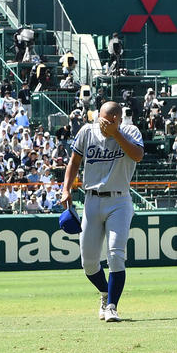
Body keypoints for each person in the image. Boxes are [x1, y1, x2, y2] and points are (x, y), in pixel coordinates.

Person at [60, 100, 144, 322]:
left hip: (119, 200)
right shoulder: (87, 132)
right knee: (88, 263)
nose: (101, 124)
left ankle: (112, 307)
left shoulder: (129, 131)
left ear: (116, 120)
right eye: (100, 119)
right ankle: (106, 293)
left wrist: (116, 134)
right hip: (91, 200)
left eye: (107, 121)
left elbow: (137, 155)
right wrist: (66, 189)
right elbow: (74, 161)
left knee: (116, 255)